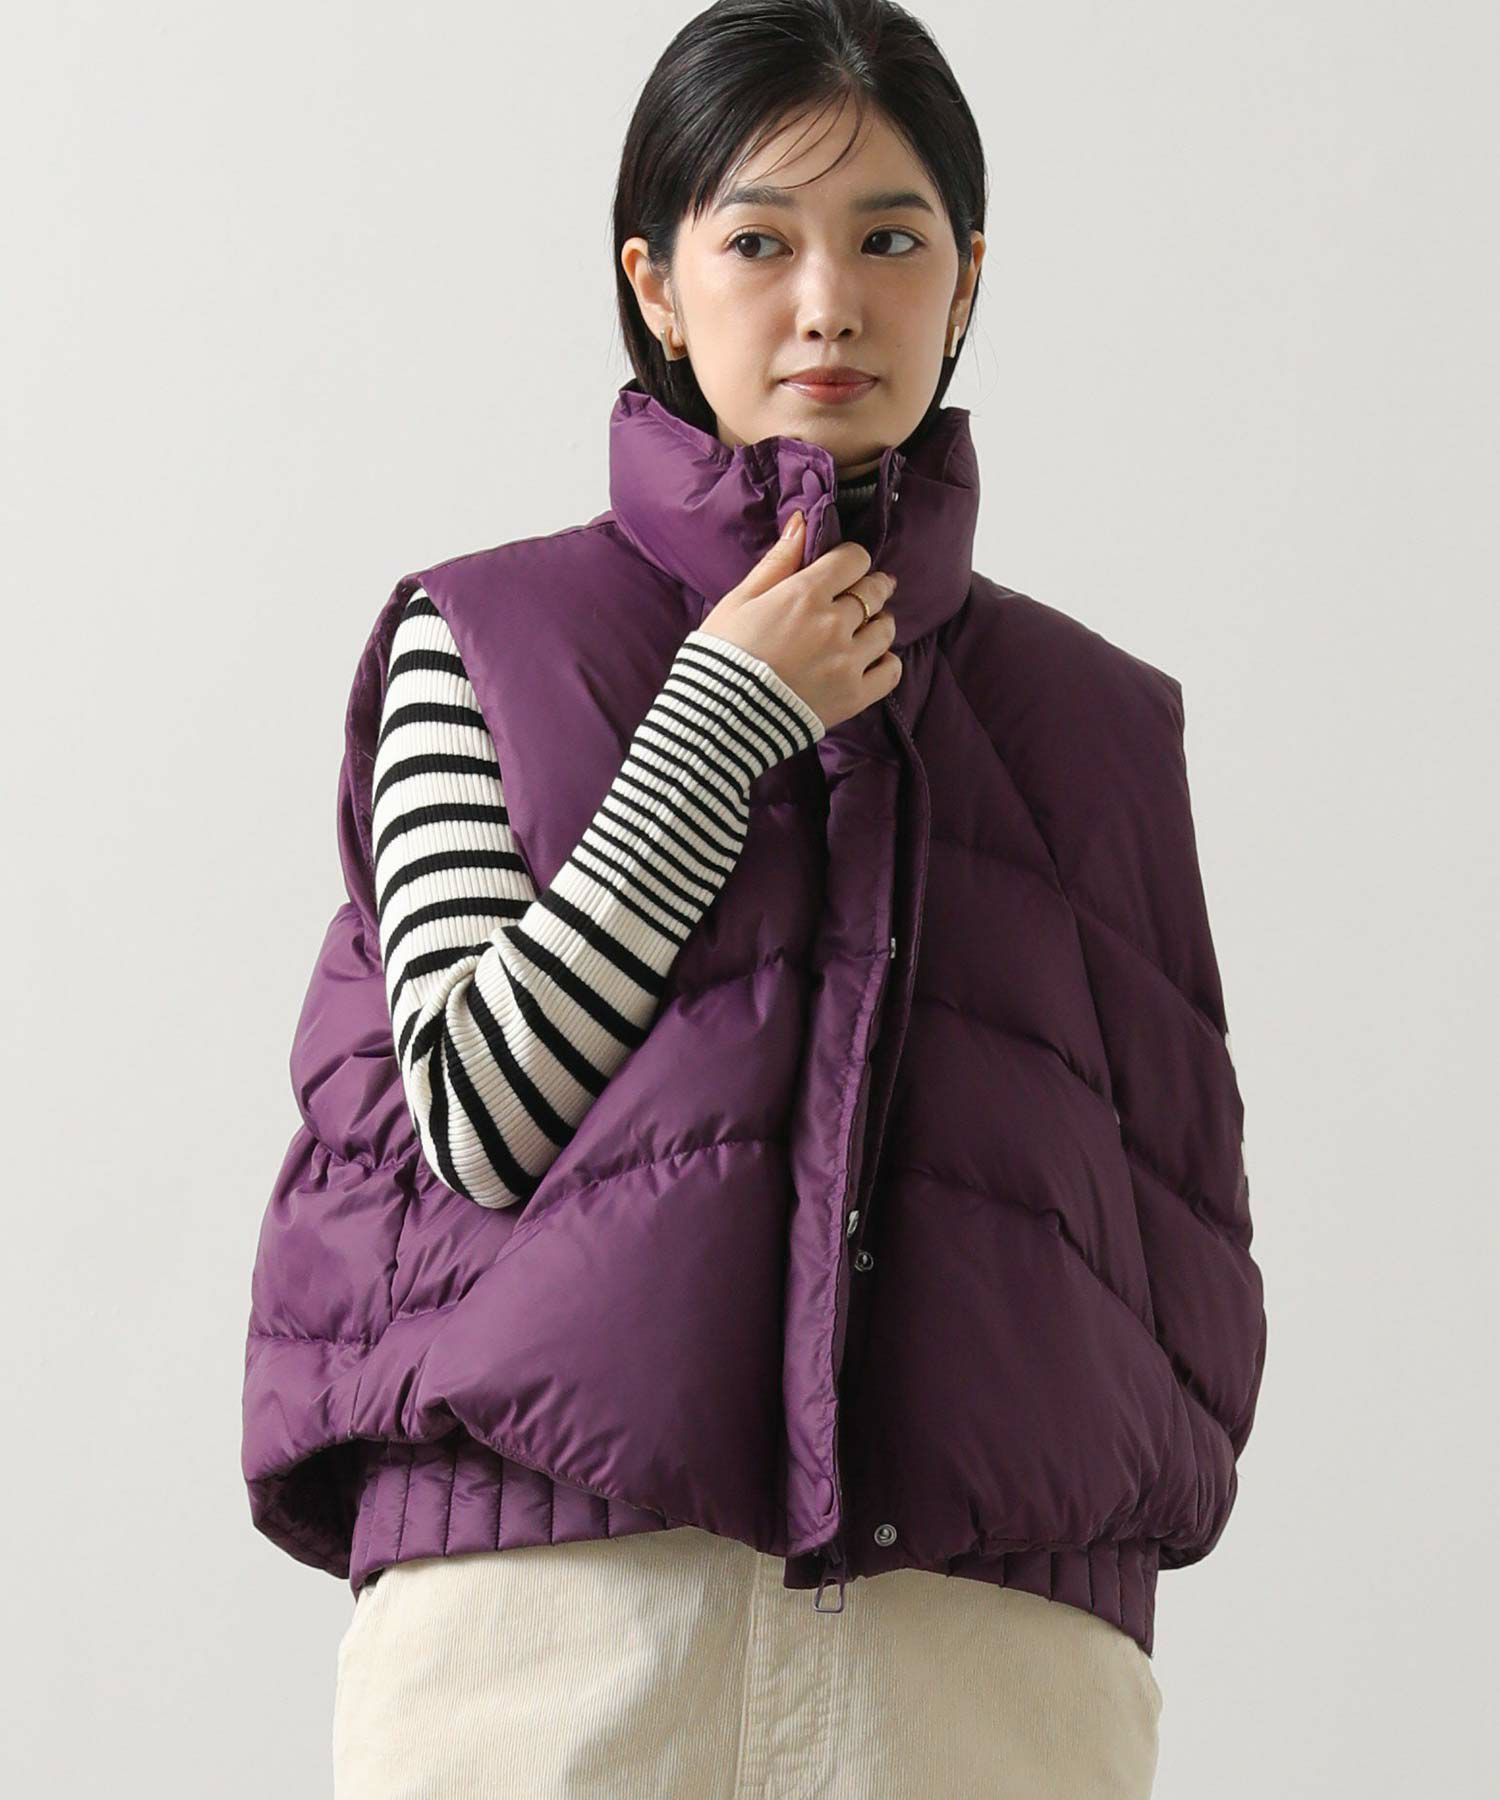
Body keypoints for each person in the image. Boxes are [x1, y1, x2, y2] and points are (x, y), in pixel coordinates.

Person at [242, 3, 1265, 1793]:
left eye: (892, 239)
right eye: (759, 241)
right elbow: (477, 1113)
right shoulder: (478, 641)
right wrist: (719, 721)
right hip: (556, 1629)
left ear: (967, 280)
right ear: (656, 282)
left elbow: (1185, 1222)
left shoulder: (1095, 722)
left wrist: (1096, 1567)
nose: (828, 303)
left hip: (979, 1659)